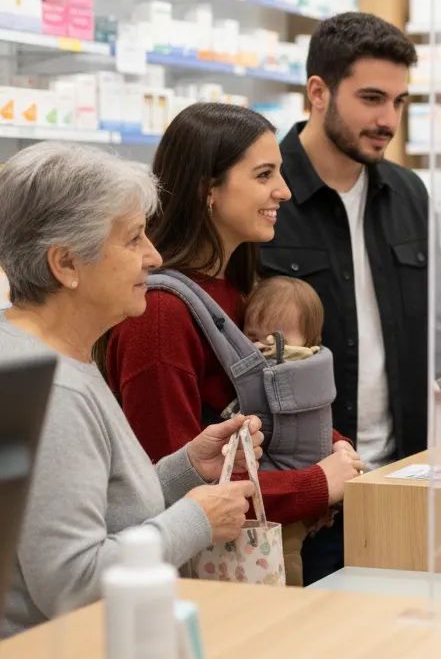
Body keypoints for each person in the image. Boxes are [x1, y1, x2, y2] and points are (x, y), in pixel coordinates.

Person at [0, 143, 257, 637]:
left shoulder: (54, 351)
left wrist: (185, 471)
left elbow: (89, 510)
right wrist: (196, 520)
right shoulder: (53, 391)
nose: (154, 257)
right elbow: (72, 582)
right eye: (134, 239)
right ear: (66, 264)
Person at [105, 103, 362, 584]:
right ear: (208, 190)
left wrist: (332, 447)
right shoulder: (160, 313)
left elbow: (274, 417)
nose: (283, 191)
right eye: (264, 175)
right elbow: (171, 489)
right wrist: (317, 483)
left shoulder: (241, 289)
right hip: (203, 577)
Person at [261, 12, 441, 470]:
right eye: (371, 98)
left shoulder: (408, 194)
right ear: (318, 92)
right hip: (302, 480)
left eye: (399, 102)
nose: (388, 120)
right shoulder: (267, 191)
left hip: (401, 470)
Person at [239, 275, 363, 584]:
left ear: (309, 344)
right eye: (250, 336)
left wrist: (339, 444)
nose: (258, 347)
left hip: (303, 487)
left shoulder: (303, 372)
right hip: (292, 487)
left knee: (293, 557)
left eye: (273, 341)